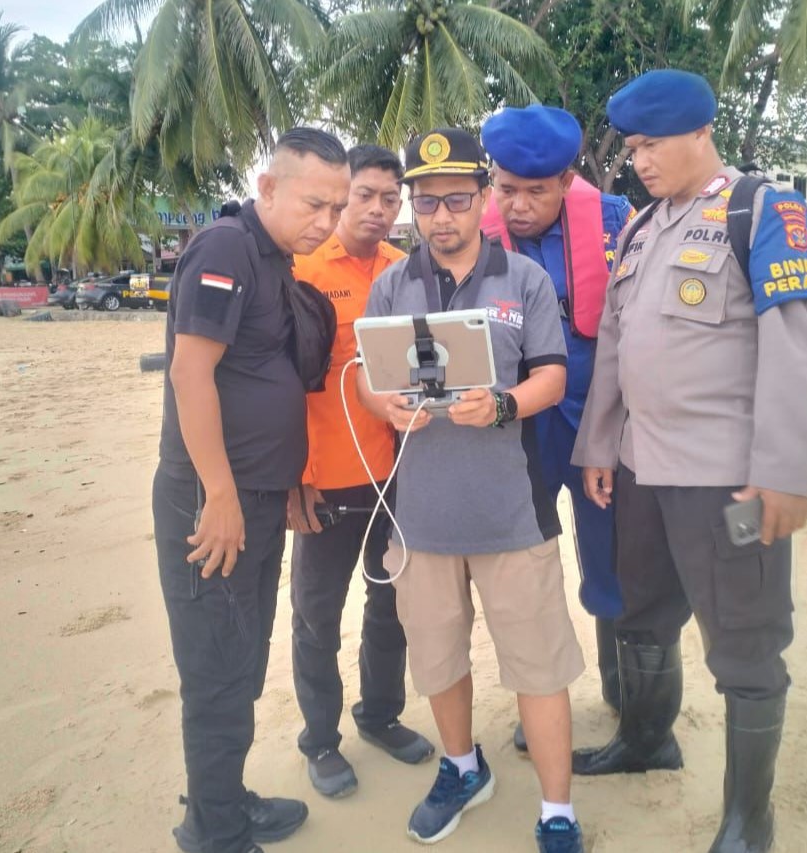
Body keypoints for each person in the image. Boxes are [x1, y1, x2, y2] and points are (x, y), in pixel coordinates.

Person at [570, 70, 807, 853]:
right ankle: (649, 738)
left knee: (747, 638)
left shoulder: (762, 208)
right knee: (642, 612)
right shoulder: (644, 227)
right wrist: (599, 445)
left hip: (726, 477)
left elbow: (794, 341)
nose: (639, 161)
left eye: (653, 145)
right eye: (633, 148)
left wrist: (784, 473)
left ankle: (751, 818)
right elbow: (617, 343)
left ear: (699, 133)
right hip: (644, 469)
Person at [358, 128, 587, 853]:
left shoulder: (523, 281)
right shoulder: (394, 282)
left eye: (457, 199)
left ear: (482, 197)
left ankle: (558, 811)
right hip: (422, 517)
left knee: (539, 666)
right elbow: (367, 375)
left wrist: (504, 404)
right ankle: (462, 767)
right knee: (438, 656)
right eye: (426, 204)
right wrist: (380, 403)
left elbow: (554, 375)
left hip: (511, 515)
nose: (442, 217)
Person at [152, 127, 351, 853]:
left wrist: (287, 484)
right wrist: (223, 495)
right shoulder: (226, 248)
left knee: (240, 662)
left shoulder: (274, 262)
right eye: (313, 203)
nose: (325, 222)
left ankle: (225, 801)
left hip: (262, 498)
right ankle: (213, 831)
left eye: (337, 207)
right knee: (215, 671)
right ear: (268, 187)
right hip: (213, 502)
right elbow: (188, 374)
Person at [480, 104, 635, 752]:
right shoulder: (476, 235)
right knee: (529, 566)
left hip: (599, 417)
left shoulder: (616, 220)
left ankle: (629, 696)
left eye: (534, 191)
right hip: (520, 430)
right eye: (505, 187)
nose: (516, 204)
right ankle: (543, 701)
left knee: (613, 560)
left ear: (568, 180)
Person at [286, 144, 434, 798]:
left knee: (391, 605)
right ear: (342, 194)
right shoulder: (301, 271)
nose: (377, 209)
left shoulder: (407, 272)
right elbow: (279, 385)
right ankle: (320, 740)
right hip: (323, 479)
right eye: (365, 195)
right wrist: (295, 477)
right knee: (316, 615)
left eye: (389, 198)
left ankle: (380, 715)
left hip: (396, 476)